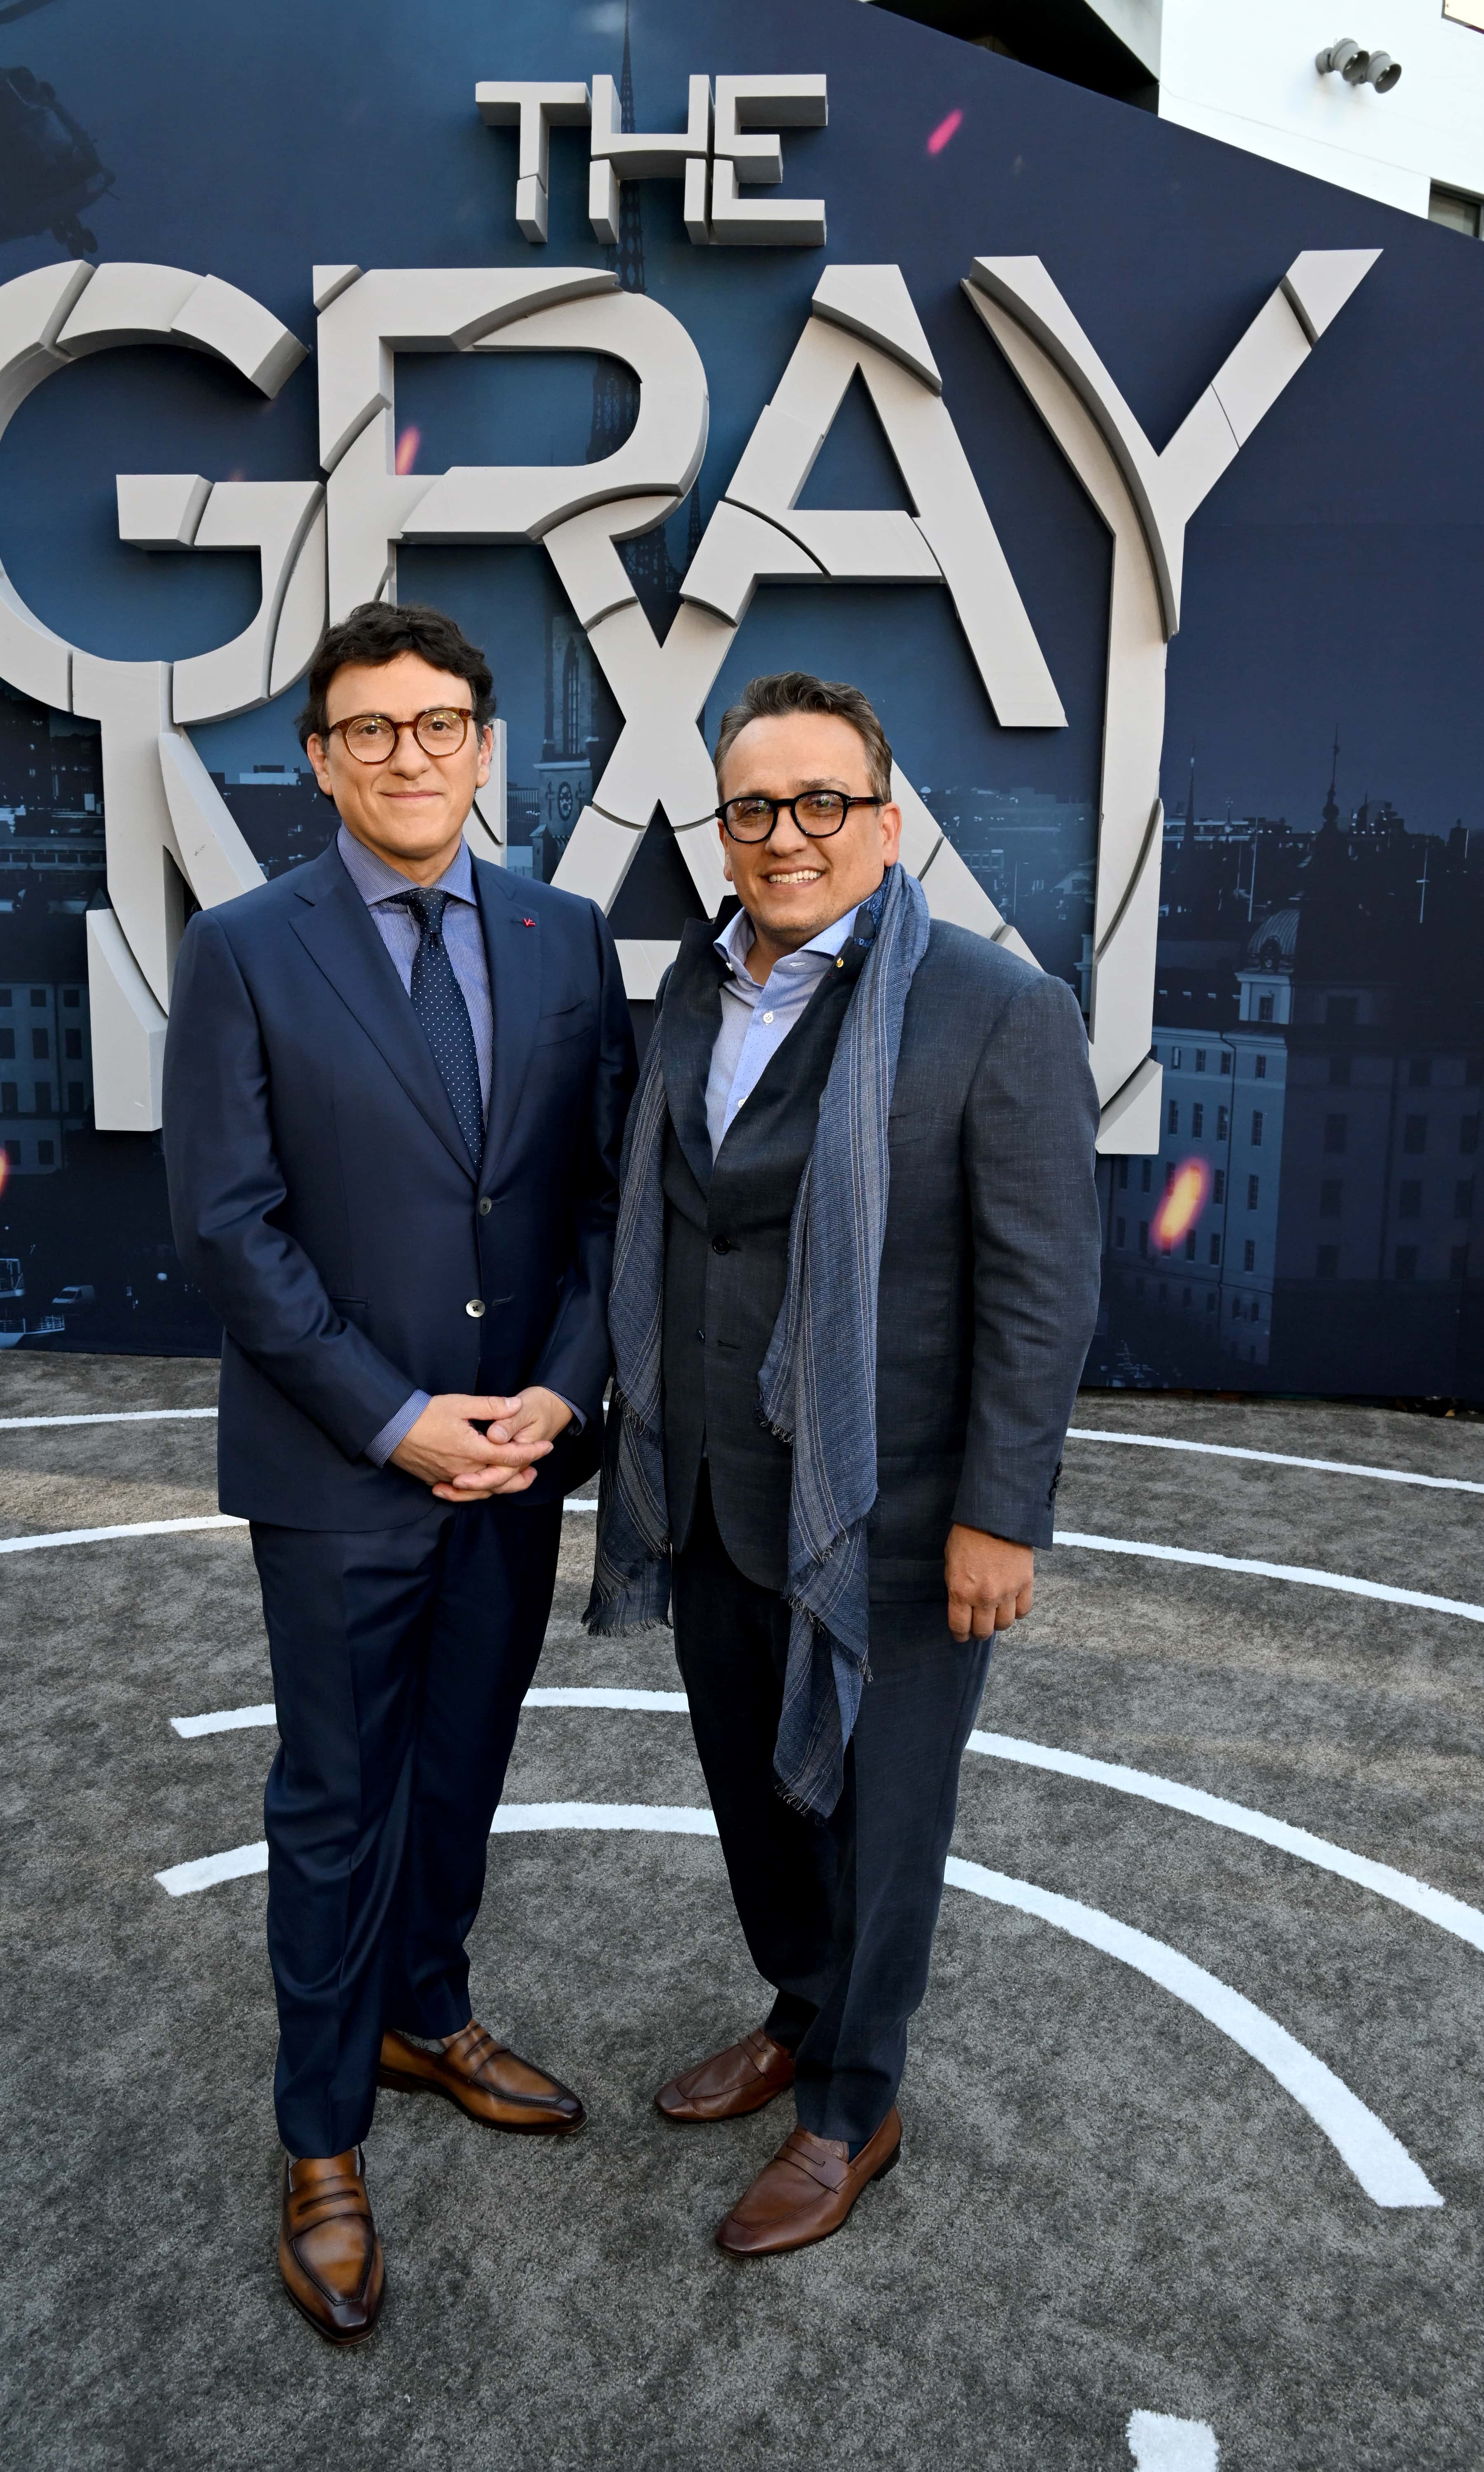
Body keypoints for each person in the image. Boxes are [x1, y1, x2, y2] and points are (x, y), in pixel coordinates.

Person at [164, 600, 635, 2343]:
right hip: (342, 1470)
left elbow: (601, 1204)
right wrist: (394, 1417)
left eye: (439, 724)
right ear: (320, 759)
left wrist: (556, 1396)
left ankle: (425, 2015)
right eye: (370, 729)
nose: (409, 754)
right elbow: (229, 1227)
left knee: (460, 1771)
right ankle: (321, 2138)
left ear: (484, 746)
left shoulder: (566, 938)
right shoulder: (242, 949)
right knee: (335, 1798)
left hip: (515, 1464)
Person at [590, 669, 1101, 2257]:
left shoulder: (996, 1009)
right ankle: (801, 2006)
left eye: (823, 803)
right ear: (719, 830)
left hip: (890, 1504)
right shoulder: (691, 991)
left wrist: (999, 1516)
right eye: (754, 808)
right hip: (707, 1490)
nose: (787, 834)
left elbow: (1041, 1289)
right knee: (755, 1793)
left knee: (882, 1822)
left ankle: (852, 2102)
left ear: (886, 824)